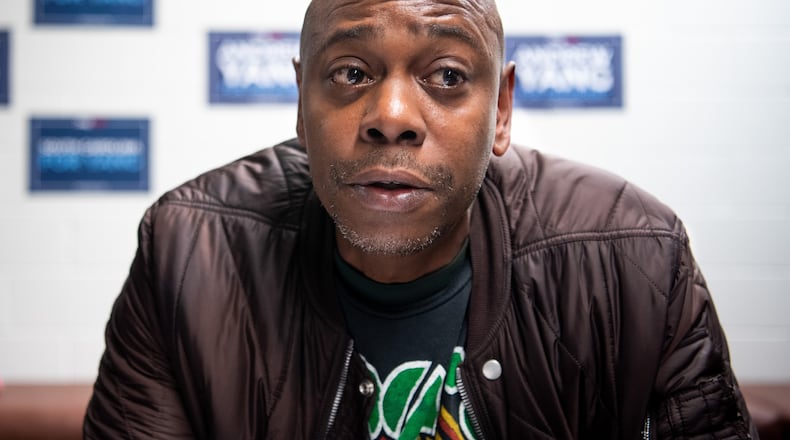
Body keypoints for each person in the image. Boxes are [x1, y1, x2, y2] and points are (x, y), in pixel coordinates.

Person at [84, 0, 758, 438]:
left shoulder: (634, 263)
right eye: (351, 73)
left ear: (501, 112)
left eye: (447, 76)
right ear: (300, 104)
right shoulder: (188, 257)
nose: (392, 117)